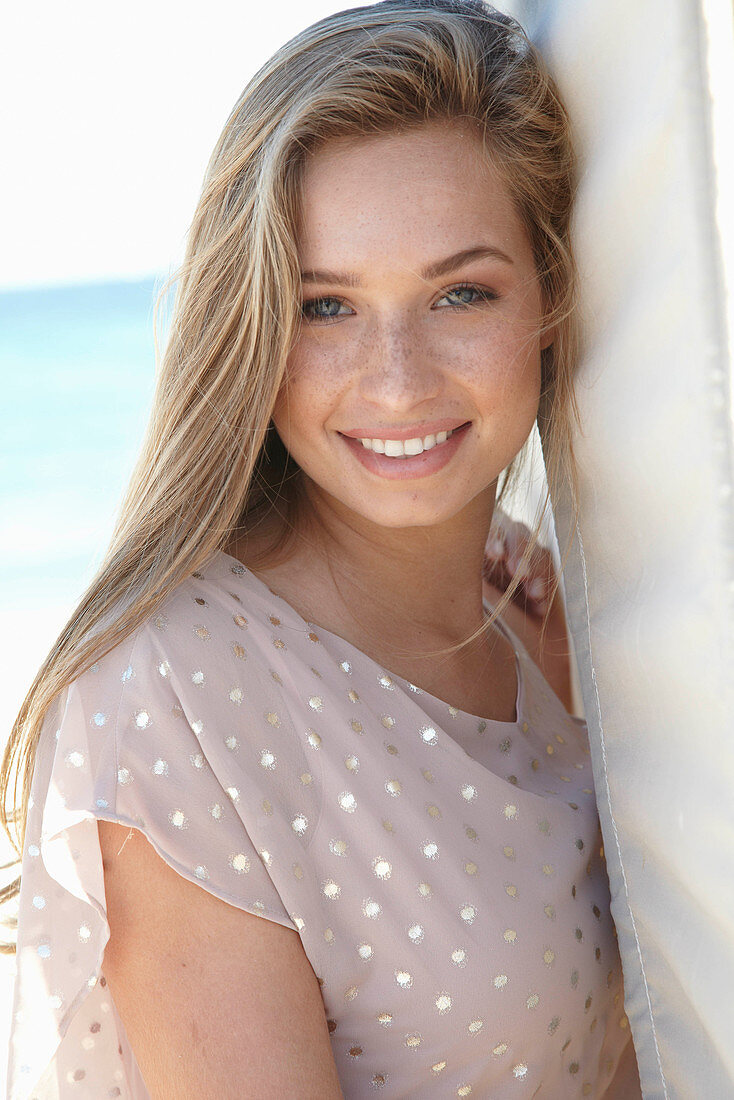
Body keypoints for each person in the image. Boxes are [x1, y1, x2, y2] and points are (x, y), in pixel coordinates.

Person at [3, 1, 641, 1096]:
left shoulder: (551, 615)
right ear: (250, 322)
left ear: (547, 296)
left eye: (458, 291)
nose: (395, 378)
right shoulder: (175, 695)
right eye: (326, 306)